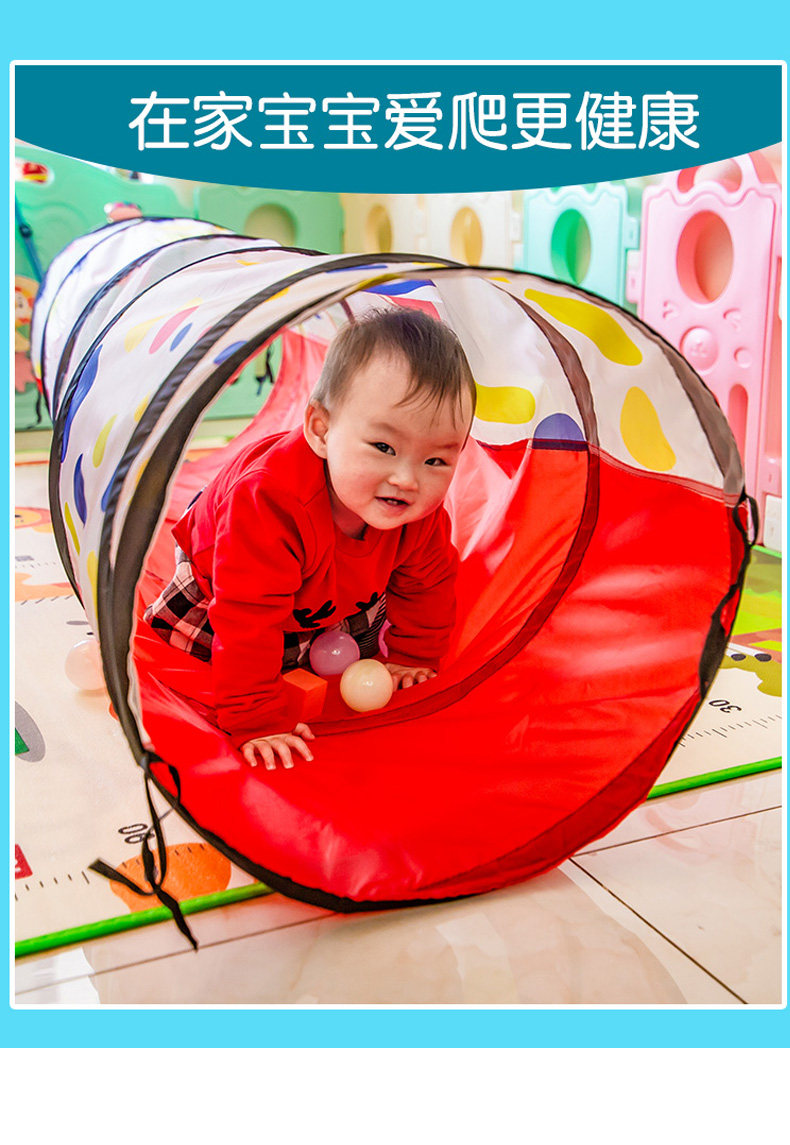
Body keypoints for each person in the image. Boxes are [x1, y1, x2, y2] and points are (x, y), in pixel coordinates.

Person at [145, 307, 477, 770]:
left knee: (362, 629)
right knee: (204, 652)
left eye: (436, 461)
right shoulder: (270, 502)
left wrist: (413, 654)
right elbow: (246, 619)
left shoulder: (415, 510)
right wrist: (256, 718)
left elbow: (429, 583)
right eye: (383, 447)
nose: (407, 479)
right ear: (321, 431)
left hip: (328, 586)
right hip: (228, 575)